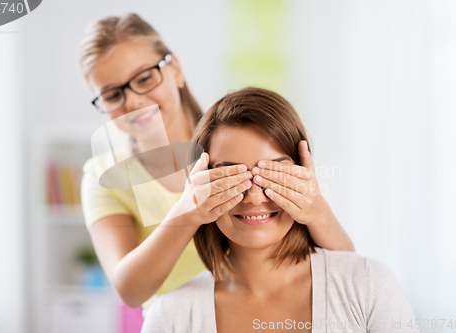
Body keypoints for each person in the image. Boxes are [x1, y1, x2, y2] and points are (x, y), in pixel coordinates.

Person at [78, 13, 355, 314]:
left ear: (176, 70)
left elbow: (347, 266)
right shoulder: (102, 176)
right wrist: (187, 213)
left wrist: (316, 208)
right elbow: (130, 290)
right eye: (112, 95)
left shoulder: (230, 134)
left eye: (144, 78)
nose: (132, 101)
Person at [141, 87, 418, 333]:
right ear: (199, 187)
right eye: (231, 177)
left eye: (272, 175)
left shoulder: (369, 285)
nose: (253, 197)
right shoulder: (170, 318)